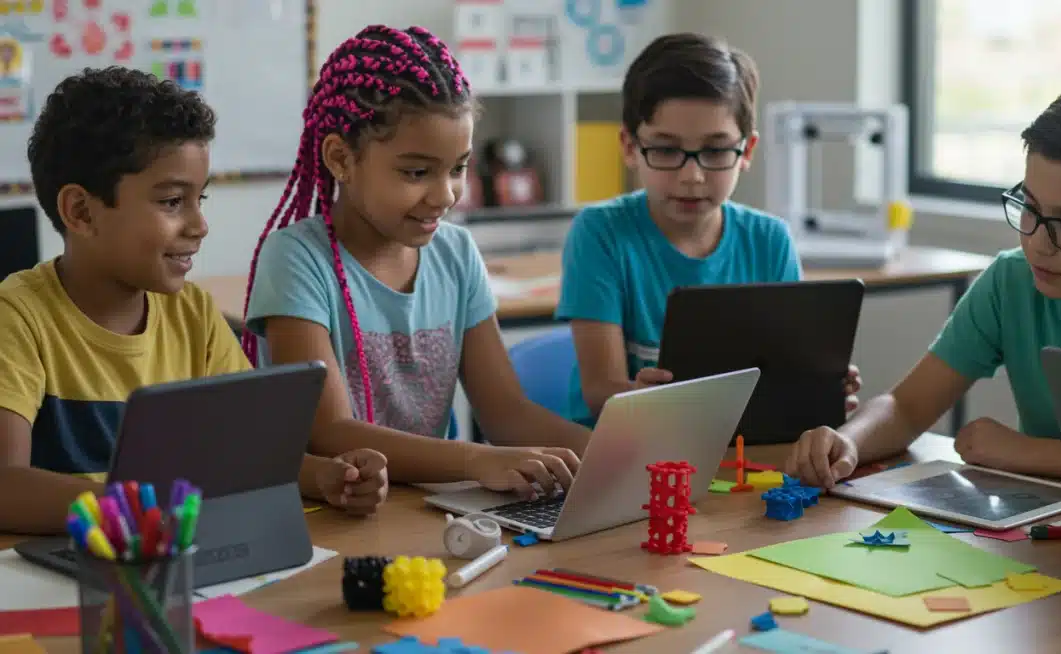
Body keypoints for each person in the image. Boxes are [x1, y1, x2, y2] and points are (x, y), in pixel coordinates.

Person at [0, 67, 389, 535]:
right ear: (81, 212)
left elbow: (247, 452)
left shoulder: (195, 315)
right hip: (60, 581)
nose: (199, 225)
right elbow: (6, 487)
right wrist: (140, 511)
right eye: (171, 202)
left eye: (198, 199)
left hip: (169, 560)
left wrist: (326, 475)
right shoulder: (18, 317)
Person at [788, 78, 1061, 487]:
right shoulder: (1011, 280)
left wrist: (1026, 451)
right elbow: (907, 406)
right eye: (1031, 207)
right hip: (1050, 529)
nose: (1038, 243)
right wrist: (848, 440)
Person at [242, 25, 591, 500]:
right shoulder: (297, 259)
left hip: (436, 509)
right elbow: (331, 433)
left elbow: (505, 410)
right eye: (416, 172)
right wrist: (476, 458)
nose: (445, 194)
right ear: (341, 158)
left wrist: (609, 454)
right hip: (333, 516)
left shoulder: (456, 252)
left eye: (459, 167)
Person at [556, 32, 862, 428]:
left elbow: (784, 375)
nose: (692, 176)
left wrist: (816, 387)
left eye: (716, 151)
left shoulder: (770, 241)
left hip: (738, 453)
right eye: (666, 150)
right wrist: (637, 397)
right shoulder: (601, 233)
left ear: (746, 151)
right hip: (620, 451)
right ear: (630, 147)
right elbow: (600, 391)